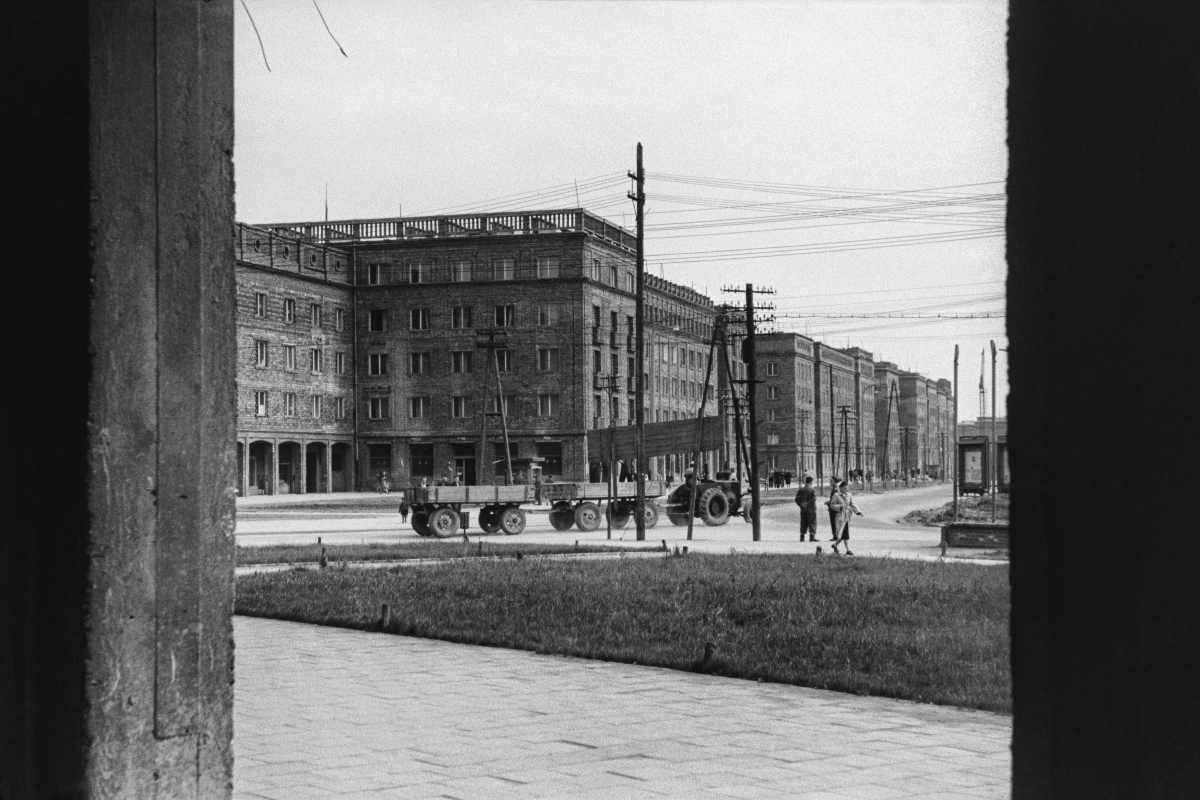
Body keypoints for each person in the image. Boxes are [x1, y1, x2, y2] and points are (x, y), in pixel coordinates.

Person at [829, 479, 863, 555]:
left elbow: (853, 504)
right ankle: (847, 549)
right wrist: (839, 507)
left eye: (847, 488)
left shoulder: (849, 495)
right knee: (843, 534)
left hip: (847, 517)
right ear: (840, 488)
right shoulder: (836, 495)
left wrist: (858, 512)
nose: (846, 490)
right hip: (840, 517)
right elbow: (832, 505)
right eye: (844, 488)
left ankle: (835, 546)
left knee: (844, 534)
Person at [794, 475, 818, 542]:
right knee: (812, 522)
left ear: (806, 481)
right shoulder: (813, 490)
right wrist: (808, 504)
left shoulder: (801, 490)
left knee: (803, 522)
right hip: (811, 509)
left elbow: (796, 499)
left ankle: (802, 536)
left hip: (803, 509)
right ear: (811, 482)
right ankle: (812, 537)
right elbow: (814, 499)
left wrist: (801, 505)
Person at [825, 476, 840, 542]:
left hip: (833, 509)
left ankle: (835, 536)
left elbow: (834, 500)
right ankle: (836, 535)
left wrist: (827, 503)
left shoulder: (835, 490)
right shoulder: (835, 489)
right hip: (834, 508)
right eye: (830, 481)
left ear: (835, 482)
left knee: (834, 522)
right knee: (835, 522)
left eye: (831, 481)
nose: (830, 483)